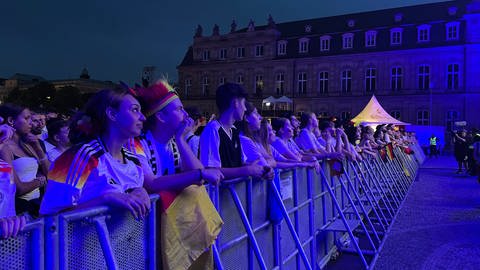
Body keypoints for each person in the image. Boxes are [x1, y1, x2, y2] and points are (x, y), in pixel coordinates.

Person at [130, 80, 224, 270]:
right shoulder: (137, 144)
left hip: (167, 229)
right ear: (162, 117)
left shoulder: (174, 143)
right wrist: (199, 176)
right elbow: (152, 184)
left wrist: (181, 140)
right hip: (143, 235)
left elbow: (197, 170)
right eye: (179, 109)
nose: (186, 115)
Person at [40, 88, 151, 221]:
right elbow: (50, 219)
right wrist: (106, 199)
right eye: (134, 110)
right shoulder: (78, 157)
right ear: (112, 114)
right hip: (83, 242)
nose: (143, 117)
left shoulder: (134, 162)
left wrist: (141, 191)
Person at [199, 83, 268, 179]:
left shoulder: (234, 131)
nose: (244, 109)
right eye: (243, 104)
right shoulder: (212, 130)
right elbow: (210, 170)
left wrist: (262, 170)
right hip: (219, 193)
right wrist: (246, 170)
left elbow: (242, 163)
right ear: (235, 103)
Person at [0, 104, 49, 217]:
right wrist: (39, 181)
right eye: (26, 118)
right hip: (20, 210)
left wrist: (38, 149)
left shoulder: (31, 143)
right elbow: (18, 188)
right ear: (11, 120)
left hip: (38, 206)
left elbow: (50, 174)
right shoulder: (4, 148)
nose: (31, 123)